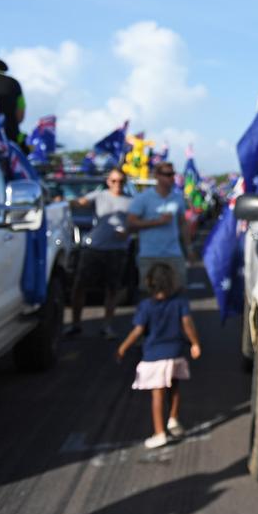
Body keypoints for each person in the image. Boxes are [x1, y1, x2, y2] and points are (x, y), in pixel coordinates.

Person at [116, 262, 202, 449]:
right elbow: (187, 324)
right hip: (176, 352)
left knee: (157, 394)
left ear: (149, 283)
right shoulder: (180, 302)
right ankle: (172, 418)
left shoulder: (146, 306)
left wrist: (123, 347)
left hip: (154, 356)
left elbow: (138, 331)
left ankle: (159, 432)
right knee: (174, 387)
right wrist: (195, 343)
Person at [64, 167, 132, 339]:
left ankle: (107, 326)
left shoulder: (131, 201)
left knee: (112, 289)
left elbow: (136, 222)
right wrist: (65, 202)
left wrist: (128, 232)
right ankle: (75, 324)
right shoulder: (99, 196)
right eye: (114, 181)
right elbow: (80, 202)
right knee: (80, 286)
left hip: (117, 250)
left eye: (121, 181)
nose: (118, 184)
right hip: (94, 248)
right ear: (108, 182)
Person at [127, 161, 191, 292]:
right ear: (156, 176)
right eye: (167, 174)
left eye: (172, 174)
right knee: (149, 293)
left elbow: (183, 224)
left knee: (178, 291)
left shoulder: (177, 198)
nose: (171, 177)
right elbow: (131, 222)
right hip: (149, 254)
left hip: (173, 253)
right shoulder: (143, 198)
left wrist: (188, 249)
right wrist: (157, 222)